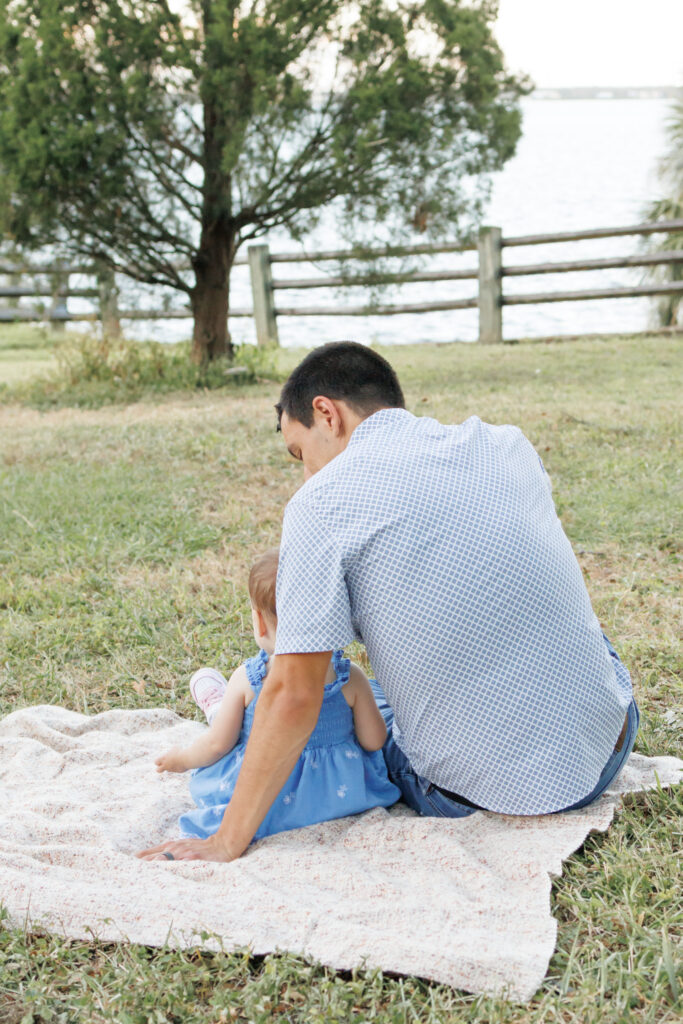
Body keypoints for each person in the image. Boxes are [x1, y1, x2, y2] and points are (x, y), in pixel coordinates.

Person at [139, 341, 638, 864]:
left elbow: (294, 697)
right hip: (608, 746)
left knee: (355, 706)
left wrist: (224, 841)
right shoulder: (504, 443)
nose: (305, 474)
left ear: (326, 413)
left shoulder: (320, 503)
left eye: (299, 453)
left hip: (481, 795)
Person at [153, 548, 399, 845]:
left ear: (258, 621)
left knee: (228, 723)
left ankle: (216, 706)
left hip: (269, 799)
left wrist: (183, 759)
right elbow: (374, 740)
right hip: (341, 797)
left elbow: (218, 744)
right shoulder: (352, 678)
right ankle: (219, 707)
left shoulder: (249, 679)